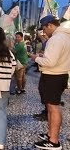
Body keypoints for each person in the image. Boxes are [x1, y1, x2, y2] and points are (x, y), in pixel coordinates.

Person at [31, 15, 70, 149]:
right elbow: (54, 58)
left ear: (50, 25)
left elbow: (50, 62)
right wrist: (43, 56)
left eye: (44, 28)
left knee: (53, 108)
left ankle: (53, 141)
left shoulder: (56, 39)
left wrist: (36, 58)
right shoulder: (65, 37)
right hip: (60, 74)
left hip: (53, 76)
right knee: (52, 106)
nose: (44, 32)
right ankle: (50, 134)